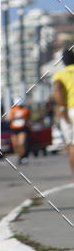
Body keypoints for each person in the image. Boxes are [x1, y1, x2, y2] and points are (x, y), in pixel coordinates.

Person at [52, 47, 74, 183]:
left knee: (72, 146)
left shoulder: (60, 74)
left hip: (70, 110)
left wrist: (61, 108)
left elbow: (57, 88)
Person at [7, 97, 30, 164]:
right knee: (15, 145)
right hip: (14, 129)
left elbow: (28, 118)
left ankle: (24, 156)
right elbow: (9, 119)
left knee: (21, 143)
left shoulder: (25, 110)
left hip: (22, 128)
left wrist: (24, 118)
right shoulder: (12, 110)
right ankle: (19, 156)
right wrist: (14, 117)